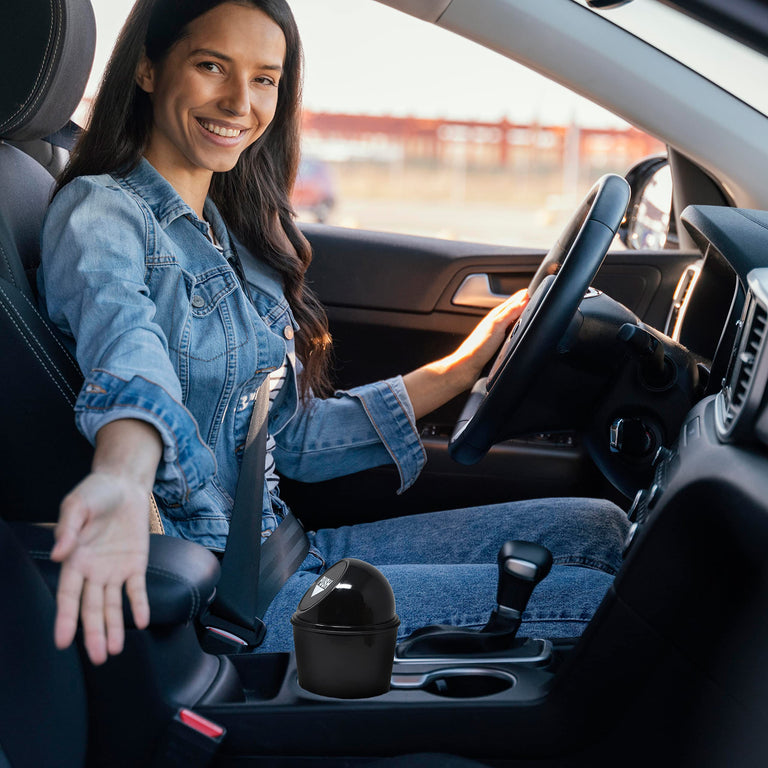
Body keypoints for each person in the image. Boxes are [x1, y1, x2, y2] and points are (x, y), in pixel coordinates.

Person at [40, 0, 629, 666]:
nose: (240, 101)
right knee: (607, 602)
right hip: (229, 597)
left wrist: (460, 368)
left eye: (265, 78)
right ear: (148, 68)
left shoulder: (232, 236)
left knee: (600, 528)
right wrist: (122, 476)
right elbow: (128, 354)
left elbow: (293, 439)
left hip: (285, 549)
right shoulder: (102, 213)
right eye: (212, 66)